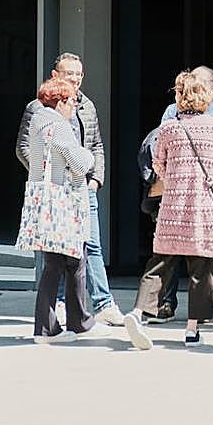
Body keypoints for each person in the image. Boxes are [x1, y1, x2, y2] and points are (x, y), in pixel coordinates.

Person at [17, 52, 125, 327]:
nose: (75, 81)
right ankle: (68, 314)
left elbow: (96, 145)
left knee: (83, 250)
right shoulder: (46, 116)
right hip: (58, 192)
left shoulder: (85, 106)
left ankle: (93, 307)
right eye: (69, 75)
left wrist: (95, 179)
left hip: (80, 189)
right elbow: (30, 149)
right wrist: (52, 173)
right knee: (64, 256)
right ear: (56, 81)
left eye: (79, 74)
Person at [123, 72, 213, 350]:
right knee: (201, 268)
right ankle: (192, 329)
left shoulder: (168, 129)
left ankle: (138, 313)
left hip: (172, 205)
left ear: (180, 97)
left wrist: (174, 177)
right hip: (201, 206)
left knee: (159, 263)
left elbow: (158, 165)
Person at [154, 65, 213, 322]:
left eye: (198, 82)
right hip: (178, 190)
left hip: (210, 191)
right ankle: (166, 303)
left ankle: (198, 313)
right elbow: (160, 147)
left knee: (200, 252)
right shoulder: (171, 114)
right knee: (170, 250)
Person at [25, 78, 100, 343]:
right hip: (63, 205)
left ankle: (76, 321)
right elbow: (80, 161)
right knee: (64, 263)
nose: (74, 106)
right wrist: (89, 157)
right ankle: (49, 328)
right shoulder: (59, 125)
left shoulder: (38, 121)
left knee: (67, 262)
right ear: (61, 102)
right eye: (72, 101)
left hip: (46, 204)